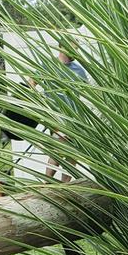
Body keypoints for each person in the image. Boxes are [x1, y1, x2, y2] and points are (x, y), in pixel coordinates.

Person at [44, 46, 90, 182]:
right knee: (60, 147)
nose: (76, 51)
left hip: (75, 117)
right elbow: (31, 83)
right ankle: (47, 183)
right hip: (57, 115)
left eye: (77, 48)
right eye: (73, 48)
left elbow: (87, 94)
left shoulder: (79, 70)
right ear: (61, 47)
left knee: (73, 152)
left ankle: (66, 187)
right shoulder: (48, 65)